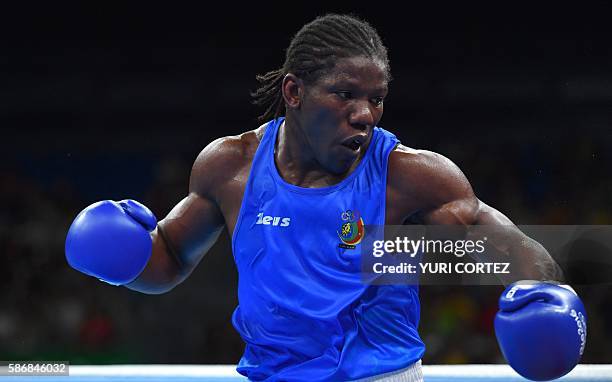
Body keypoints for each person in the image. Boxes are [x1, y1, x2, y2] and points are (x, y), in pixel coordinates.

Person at [66, 14, 586, 381]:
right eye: (345, 94)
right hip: (271, 377)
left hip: (380, 378)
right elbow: (172, 258)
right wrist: (125, 256)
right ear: (294, 93)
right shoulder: (231, 167)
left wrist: (541, 293)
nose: (365, 114)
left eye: (376, 99)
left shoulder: (410, 175)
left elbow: (513, 249)